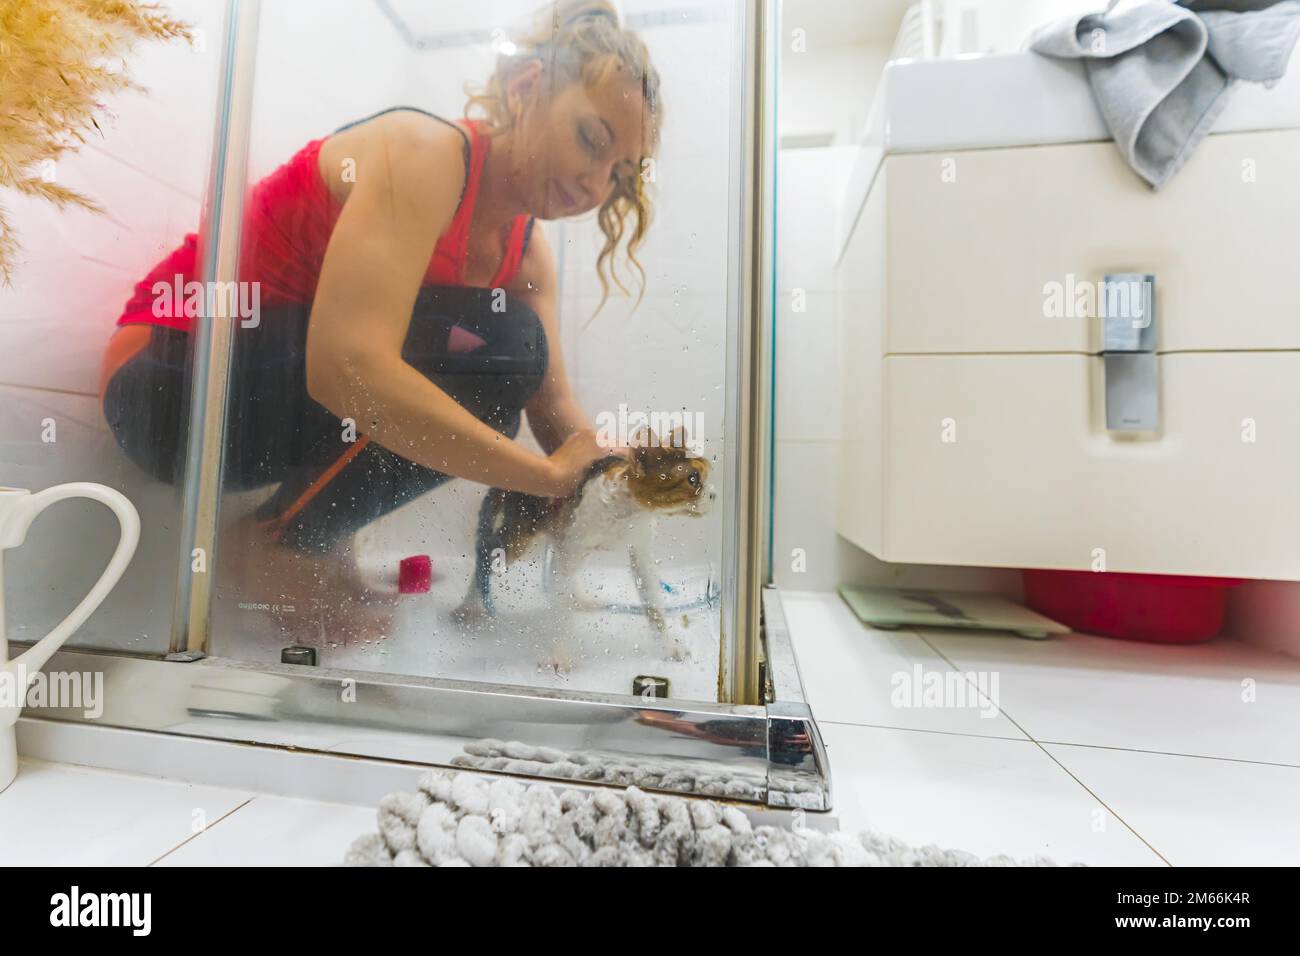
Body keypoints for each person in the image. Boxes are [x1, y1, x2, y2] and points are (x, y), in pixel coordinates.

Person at [98, 0, 661, 635]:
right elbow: (345, 368)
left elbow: (554, 412)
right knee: (502, 341)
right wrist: (542, 477)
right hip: (167, 388)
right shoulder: (427, 151)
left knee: (507, 360)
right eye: (592, 140)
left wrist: (613, 475)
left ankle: (307, 538)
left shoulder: (526, 252)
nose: (595, 184)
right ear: (528, 87)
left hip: (252, 400)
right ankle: (273, 546)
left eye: (618, 175)